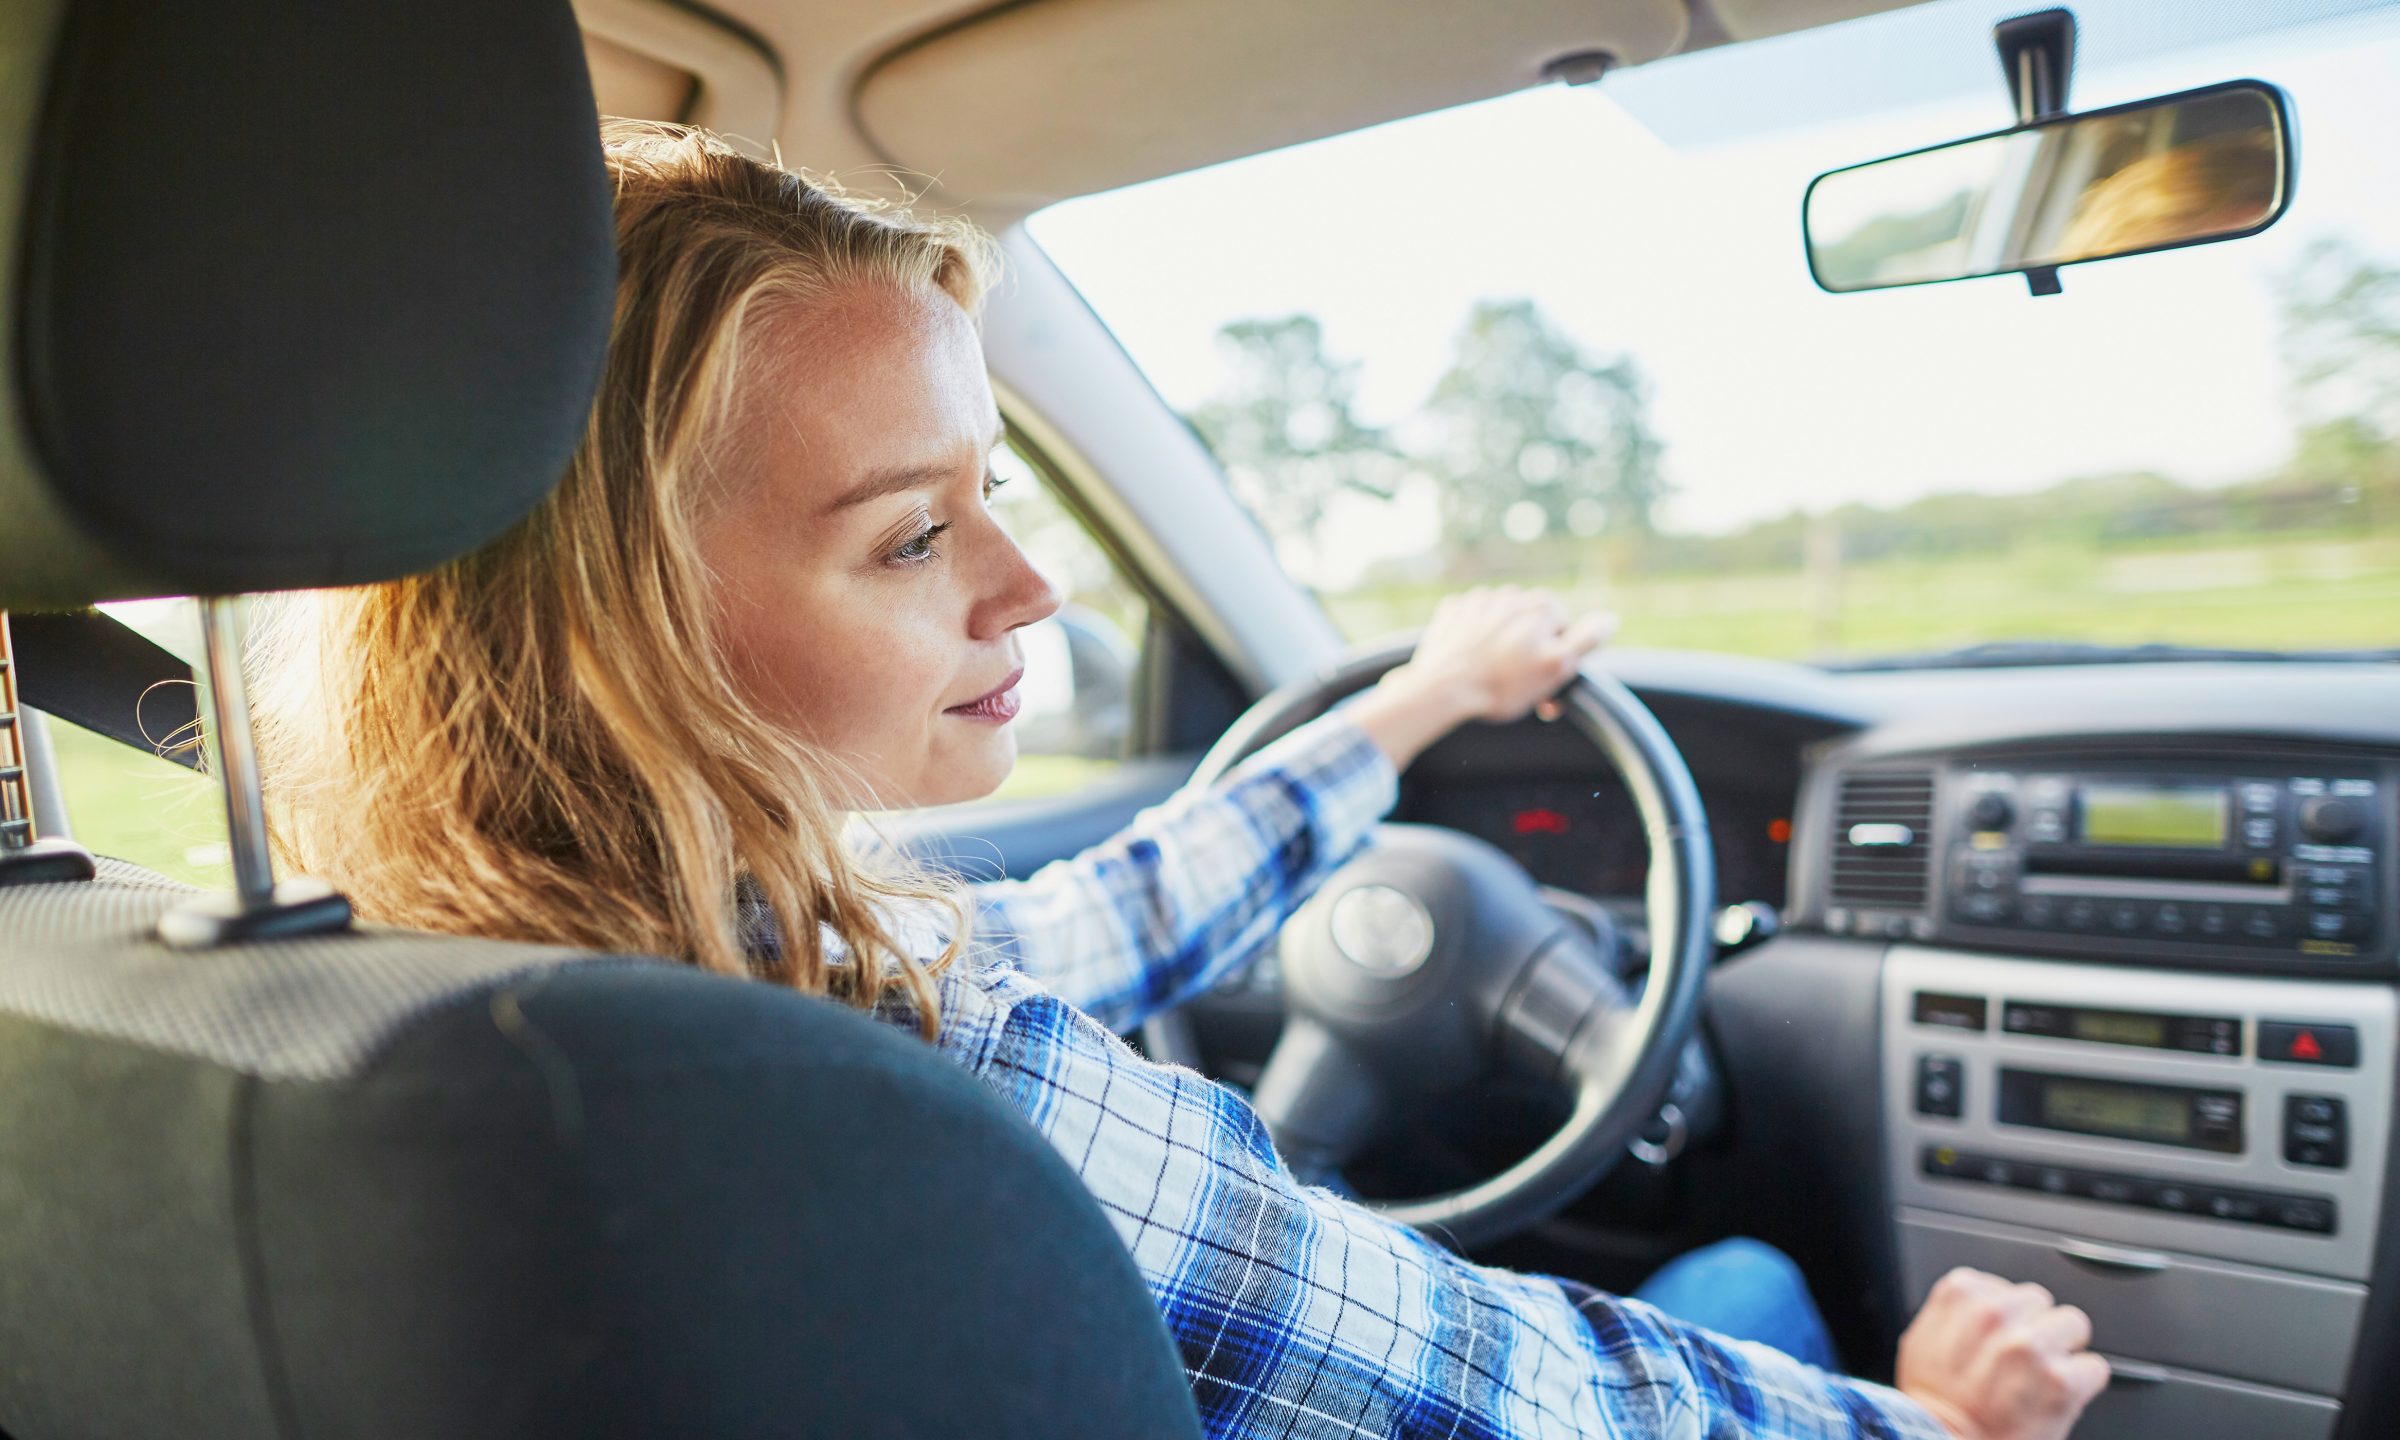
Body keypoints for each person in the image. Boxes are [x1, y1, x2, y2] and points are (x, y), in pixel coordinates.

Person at [251, 121, 2107, 1440]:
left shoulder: (391, 985)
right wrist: (1932, 1420)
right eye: (912, 537)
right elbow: (1509, 1391)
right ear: (621, 622)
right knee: (1752, 1301)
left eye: (1001, 492)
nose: (1027, 584)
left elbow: (1082, 924)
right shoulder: (921, 1099)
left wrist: (1403, 718)